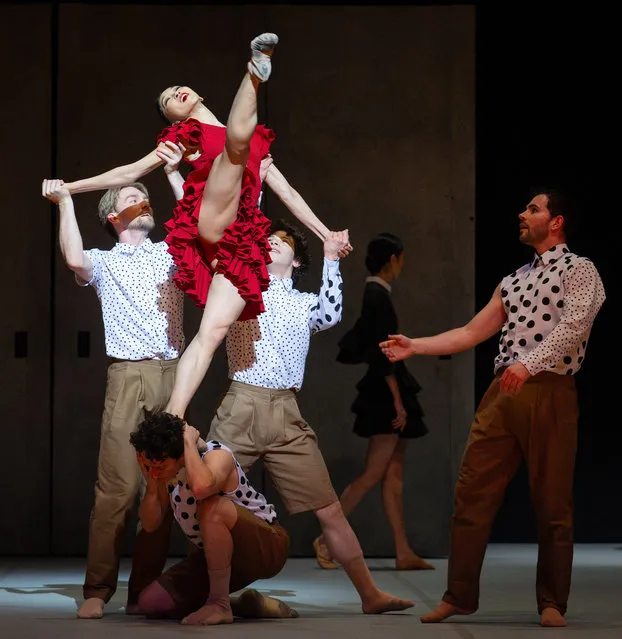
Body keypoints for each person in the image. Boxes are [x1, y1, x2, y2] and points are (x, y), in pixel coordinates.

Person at [57, 33, 351, 428]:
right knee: (234, 149)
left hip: (242, 242)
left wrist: (325, 233)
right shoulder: (183, 138)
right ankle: (254, 76)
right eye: (167, 101)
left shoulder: (257, 146)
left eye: (178, 89)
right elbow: (128, 172)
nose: (175, 94)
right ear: (172, 119)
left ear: (196, 93)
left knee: (212, 333)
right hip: (210, 219)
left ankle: (171, 421)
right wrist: (69, 189)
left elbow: (290, 193)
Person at [380, 189, 606, 627]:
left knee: (553, 503)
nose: (522, 214)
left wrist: (530, 363)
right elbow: (469, 332)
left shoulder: (581, 270)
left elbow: (577, 323)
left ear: (556, 221)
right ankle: (459, 596)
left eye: (533, 209)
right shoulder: (514, 279)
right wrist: (417, 346)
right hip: (503, 391)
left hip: (551, 389)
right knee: (471, 495)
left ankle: (552, 601)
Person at [200, 220, 413, 615]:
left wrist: (331, 258)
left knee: (329, 508)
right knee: (209, 499)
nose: (270, 244)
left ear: (296, 261)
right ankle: (215, 598)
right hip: (240, 405)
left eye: (280, 242)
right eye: (266, 240)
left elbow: (331, 314)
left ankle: (370, 595)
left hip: (286, 411)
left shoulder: (302, 303)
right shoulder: (241, 290)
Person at [41, 168, 186, 619]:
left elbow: (200, 221)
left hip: (173, 373)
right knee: (118, 488)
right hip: (128, 376)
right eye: (131, 195)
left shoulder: (171, 252)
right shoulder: (106, 261)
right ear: (113, 216)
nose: (143, 200)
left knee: (161, 488)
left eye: (145, 195)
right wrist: (65, 202)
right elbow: (74, 259)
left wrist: (176, 173)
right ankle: (99, 589)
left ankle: (144, 589)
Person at [315, 233, 432, 571]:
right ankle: (325, 539)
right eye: (402, 259)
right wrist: (397, 401)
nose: (403, 266)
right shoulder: (376, 295)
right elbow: (384, 354)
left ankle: (403, 550)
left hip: (388, 388)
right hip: (386, 392)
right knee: (374, 472)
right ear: (392, 260)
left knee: (392, 471)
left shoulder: (377, 294)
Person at [129, 412, 295, 625]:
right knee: (150, 602)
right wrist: (152, 481)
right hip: (218, 558)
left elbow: (201, 488)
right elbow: (151, 524)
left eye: (159, 467)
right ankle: (245, 604)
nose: (155, 472)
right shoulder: (164, 476)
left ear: (180, 454)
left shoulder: (216, 454)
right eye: (150, 467)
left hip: (266, 547)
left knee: (211, 507)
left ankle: (219, 604)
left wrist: (188, 441)